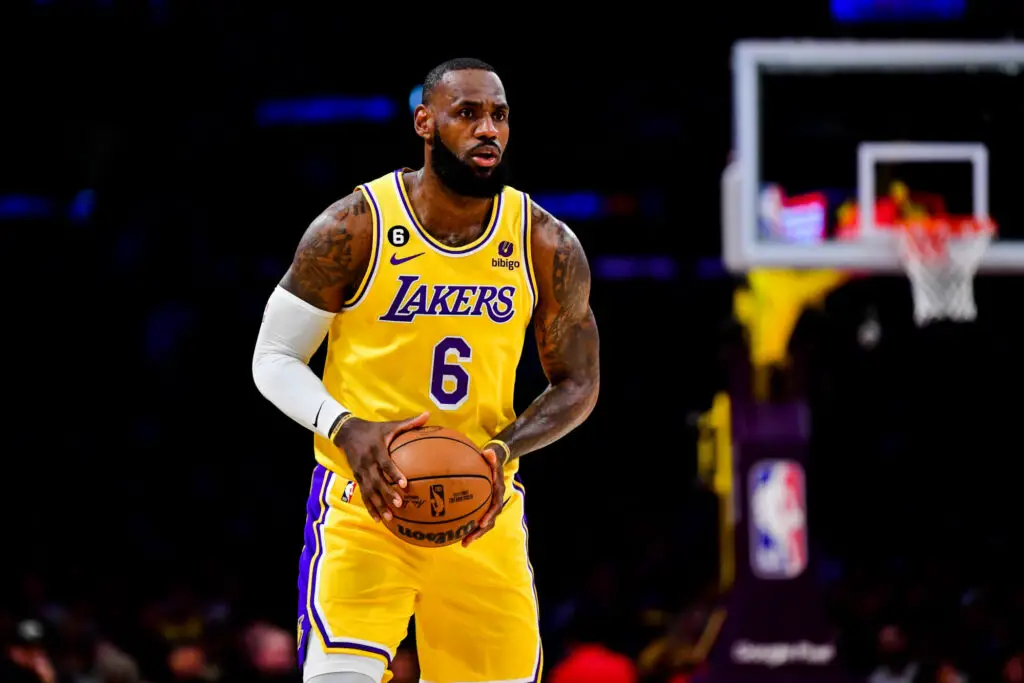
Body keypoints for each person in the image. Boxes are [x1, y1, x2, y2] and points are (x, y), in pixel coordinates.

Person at [252, 57, 601, 683]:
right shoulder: (354, 226)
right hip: (364, 508)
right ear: (424, 122)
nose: (488, 129)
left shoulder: (545, 243)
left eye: (499, 115)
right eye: (467, 113)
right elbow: (273, 357)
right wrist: (346, 427)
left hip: (481, 513)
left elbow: (578, 382)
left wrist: (503, 448)